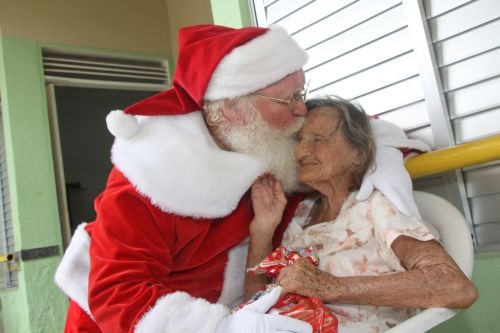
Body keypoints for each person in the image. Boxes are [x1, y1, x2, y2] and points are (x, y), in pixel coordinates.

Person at [55, 24, 430, 333]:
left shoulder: (270, 140)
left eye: (303, 91)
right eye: (289, 99)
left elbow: (348, 134)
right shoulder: (148, 178)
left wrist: (383, 150)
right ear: (234, 109)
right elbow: (118, 293)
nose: (303, 109)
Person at [247, 96, 478, 332]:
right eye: (299, 140)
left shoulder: (376, 207)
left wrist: (330, 287)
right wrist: (262, 231)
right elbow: (253, 308)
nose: (301, 151)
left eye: (318, 139)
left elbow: (454, 286)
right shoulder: (299, 213)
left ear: (358, 153)